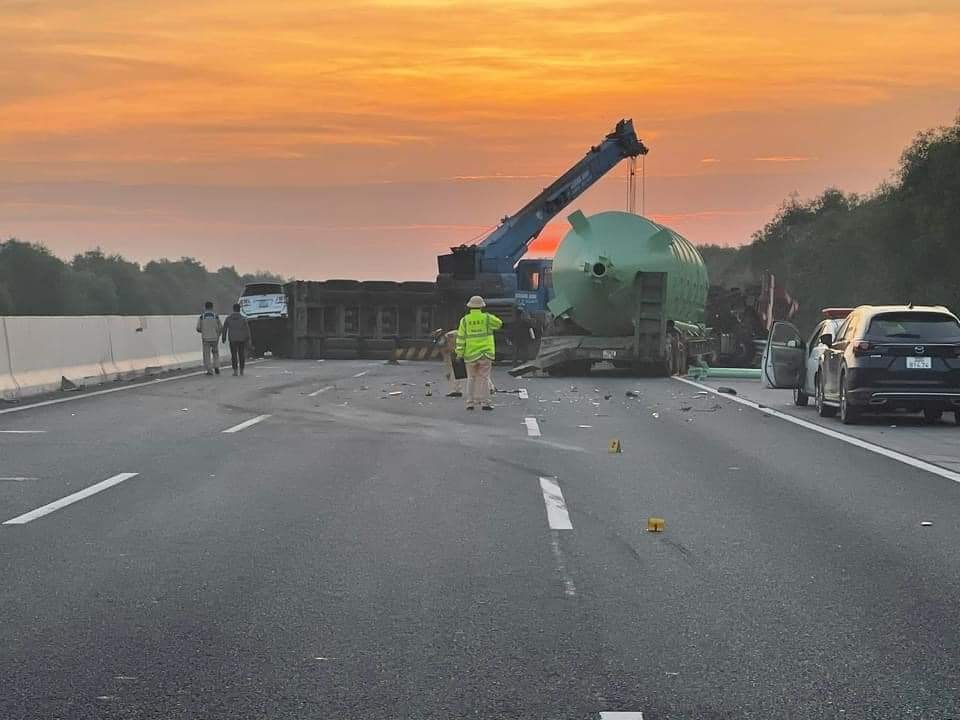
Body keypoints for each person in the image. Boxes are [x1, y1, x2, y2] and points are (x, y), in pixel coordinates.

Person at [455, 295, 502, 411]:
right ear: (482, 306)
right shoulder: (487, 318)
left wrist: (459, 354)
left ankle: (470, 403)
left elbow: (460, 338)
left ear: (470, 307)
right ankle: (485, 403)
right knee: (484, 378)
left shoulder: (464, 320)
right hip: (485, 353)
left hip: (470, 354)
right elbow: (499, 323)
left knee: (471, 378)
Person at [221, 303, 252, 376]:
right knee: (241, 354)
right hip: (242, 339)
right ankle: (241, 370)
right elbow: (247, 330)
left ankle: (235, 371)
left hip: (232, 339)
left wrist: (224, 337)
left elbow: (224, 328)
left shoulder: (228, 318)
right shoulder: (243, 318)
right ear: (239, 309)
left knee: (234, 355)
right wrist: (248, 339)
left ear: (233, 309)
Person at [196, 301, 222, 375]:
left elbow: (198, 328)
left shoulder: (202, 316)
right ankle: (216, 366)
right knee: (215, 353)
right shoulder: (216, 316)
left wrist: (203, 331)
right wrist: (218, 334)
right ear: (212, 307)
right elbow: (220, 327)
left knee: (206, 355)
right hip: (215, 338)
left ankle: (209, 370)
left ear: (205, 307)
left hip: (205, 338)